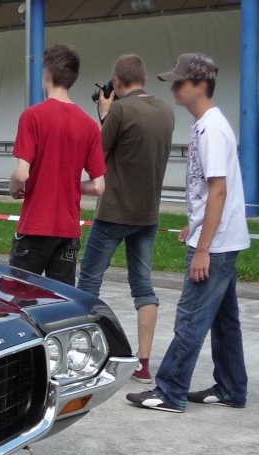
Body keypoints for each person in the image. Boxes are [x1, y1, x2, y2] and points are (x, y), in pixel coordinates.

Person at [127, 53, 250, 412]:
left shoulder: (211, 129)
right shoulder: (207, 125)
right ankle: (230, 387)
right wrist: (194, 224)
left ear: (200, 85)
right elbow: (212, 192)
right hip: (220, 238)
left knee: (191, 318)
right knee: (225, 323)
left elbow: (219, 190)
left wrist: (203, 248)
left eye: (181, 82)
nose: (175, 88)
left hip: (216, 245)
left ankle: (169, 391)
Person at [76, 54, 175, 384]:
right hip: (148, 214)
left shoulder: (119, 110)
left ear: (116, 83)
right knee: (143, 288)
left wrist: (104, 112)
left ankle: (85, 355)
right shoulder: (165, 111)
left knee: (89, 282)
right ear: (145, 80)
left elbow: (97, 155)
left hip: (114, 212)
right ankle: (143, 364)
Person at [8, 45, 106, 285]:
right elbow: (98, 186)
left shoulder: (32, 116)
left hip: (34, 227)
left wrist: (13, 188)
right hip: (68, 230)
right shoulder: (90, 125)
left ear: (48, 74)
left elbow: (22, 174)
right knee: (60, 304)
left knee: (19, 300)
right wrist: (70, 184)